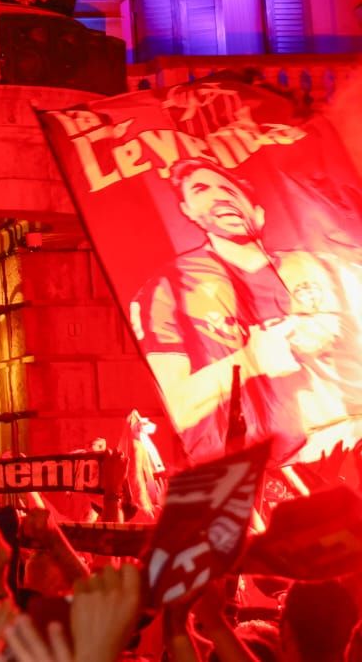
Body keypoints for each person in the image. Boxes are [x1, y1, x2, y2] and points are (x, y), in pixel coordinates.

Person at [130, 157, 362, 463]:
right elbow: (178, 403)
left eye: (228, 187)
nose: (220, 195)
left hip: (352, 448)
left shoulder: (324, 265)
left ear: (258, 212)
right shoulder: (169, 288)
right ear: (188, 211)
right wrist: (251, 360)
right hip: (275, 473)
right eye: (201, 190)